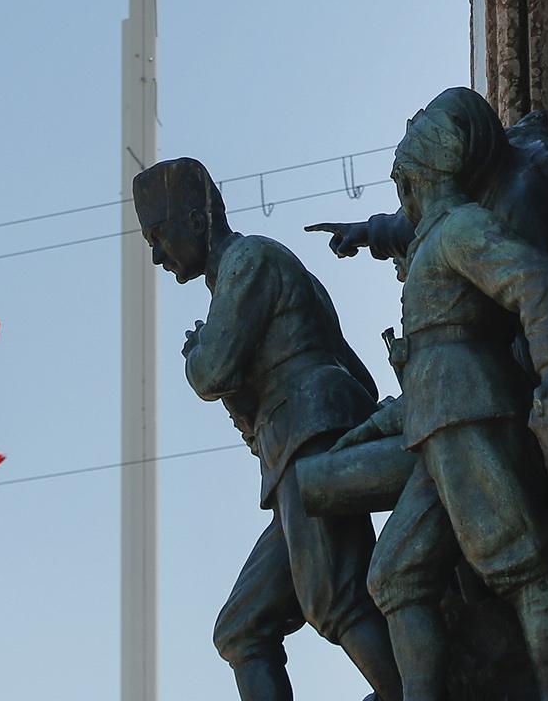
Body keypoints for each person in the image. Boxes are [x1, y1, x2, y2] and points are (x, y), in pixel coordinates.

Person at [330, 87, 548, 701]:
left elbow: (542, 284)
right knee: (394, 575)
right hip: (435, 422)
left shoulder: (460, 228)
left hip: (469, 412)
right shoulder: (434, 234)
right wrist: (369, 232)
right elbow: (400, 229)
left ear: (424, 171)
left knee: (517, 563)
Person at [132, 157, 403, 701]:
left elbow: (211, 371)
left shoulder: (248, 259)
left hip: (311, 435)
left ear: (197, 217)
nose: (158, 255)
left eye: (160, 236)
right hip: (291, 449)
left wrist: (195, 352)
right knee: (242, 629)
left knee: (335, 599)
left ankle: (414, 690)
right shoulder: (238, 273)